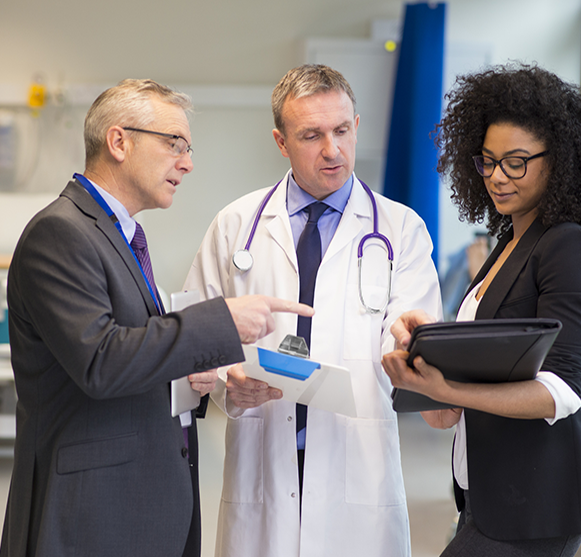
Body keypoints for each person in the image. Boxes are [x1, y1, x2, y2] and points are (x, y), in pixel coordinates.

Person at [0, 79, 313, 557]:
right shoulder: (60, 234)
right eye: (174, 145)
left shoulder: (119, 235)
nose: (186, 163)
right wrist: (220, 322)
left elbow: (132, 349)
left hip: (138, 500)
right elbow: (100, 362)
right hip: (91, 510)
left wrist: (193, 375)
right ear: (119, 141)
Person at [182, 64, 443, 557]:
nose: (333, 149)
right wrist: (226, 381)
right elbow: (194, 337)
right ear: (281, 142)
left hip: (357, 464)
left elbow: (413, 334)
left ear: (357, 126)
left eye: (342, 130)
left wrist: (414, 340)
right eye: (312, 135)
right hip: (262, 454)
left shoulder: (400, 230)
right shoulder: (235, 225)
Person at [381, 63, 581, 556]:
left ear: (558, 162)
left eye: (516, 162)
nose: (497, 176)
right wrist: (432, 345)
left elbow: (560, 391)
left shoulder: (568, 247)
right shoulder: (509, 242)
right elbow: (500, 356)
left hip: (531, 508)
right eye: (488, 161)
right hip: (487, 498)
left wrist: (449, 388)